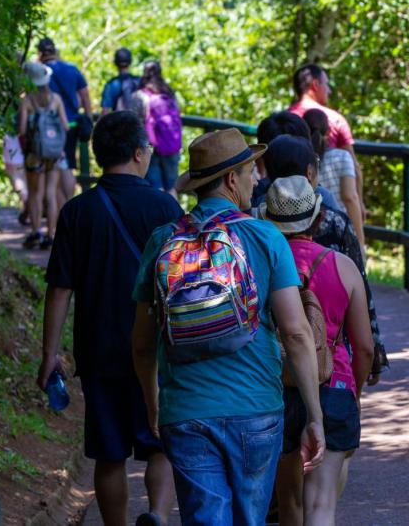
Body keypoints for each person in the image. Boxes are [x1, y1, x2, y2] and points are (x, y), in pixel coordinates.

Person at [130, 128, 325, 526]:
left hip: (185, 410)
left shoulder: (163, 240)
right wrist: (314, 415)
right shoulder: (266, 236)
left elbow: (143, 344)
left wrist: (154, 403)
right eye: (252, 171)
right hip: (255, 409)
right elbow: (297, 333)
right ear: (232, 179)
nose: (257, 180)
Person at [36, 111, 182, 526]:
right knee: (159, 444)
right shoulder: (164, 206)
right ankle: (156, 515)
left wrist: (50, 354)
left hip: (99, 348)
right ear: (139, 153)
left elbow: (60, 288)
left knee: (109, 451)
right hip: (154, 347)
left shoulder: (78, 211)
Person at [260, 176, 374, 526]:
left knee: (288, 501)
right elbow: (365, 347)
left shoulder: (260, 264)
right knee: (321, 504)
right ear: (319, 217)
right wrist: (352, 388)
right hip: (334, 385)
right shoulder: (343, 266)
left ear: (269, 220)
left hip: (275, 387)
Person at [255, 130, 388, 385]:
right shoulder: (335, 221)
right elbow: (362, 289)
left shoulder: (255, 225)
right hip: (332, 367)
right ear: (309, 173)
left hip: (271, 371)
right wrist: (373, 354)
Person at [288, 64, 364, 218]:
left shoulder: (285, 120)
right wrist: (360, 204)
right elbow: (354, 167)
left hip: (290, 209)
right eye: (327, 84)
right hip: (330, 212)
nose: (329, 90)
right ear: (315, 85)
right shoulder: (335, 120)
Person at [19, 62, 69, 249]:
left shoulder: (27, 101)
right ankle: (51, 235)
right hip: (55, 154)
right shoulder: (56, 99)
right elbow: (65, 126)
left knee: (35, 194)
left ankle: (35, 233)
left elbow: (22, 129)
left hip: (35, 154)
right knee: (51, 192)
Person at [38, 37, 93, 204]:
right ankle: (68, 201)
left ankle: (56, 206)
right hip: (72, 124)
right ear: (55, 51)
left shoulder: (41, 72)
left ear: (40, 53)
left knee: (51, 166)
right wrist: (89, 119)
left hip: (49, 127)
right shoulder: (71, 69)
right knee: (68, 164)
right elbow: (85, 95)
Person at [303, 108, 365, 252]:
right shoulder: (342, 157)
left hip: (308, 229)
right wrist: (360, 242)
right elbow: (350, 197)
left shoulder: (302, 159)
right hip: (338, 230)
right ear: (329, 132)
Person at [137, 61, 183, 198]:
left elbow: (138, 117)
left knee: (155, 186)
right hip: (170, 143)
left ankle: (159, 218)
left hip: (150, 145)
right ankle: (174, 217)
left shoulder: (142, 94)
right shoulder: (169, 92)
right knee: (171, 187)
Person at [101, 47, 142, 115]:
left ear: (115, 63)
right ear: (130, 62)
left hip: (119, 123)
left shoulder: (111, 85)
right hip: (138, 123)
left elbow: (105, 111)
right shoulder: (139, 81)